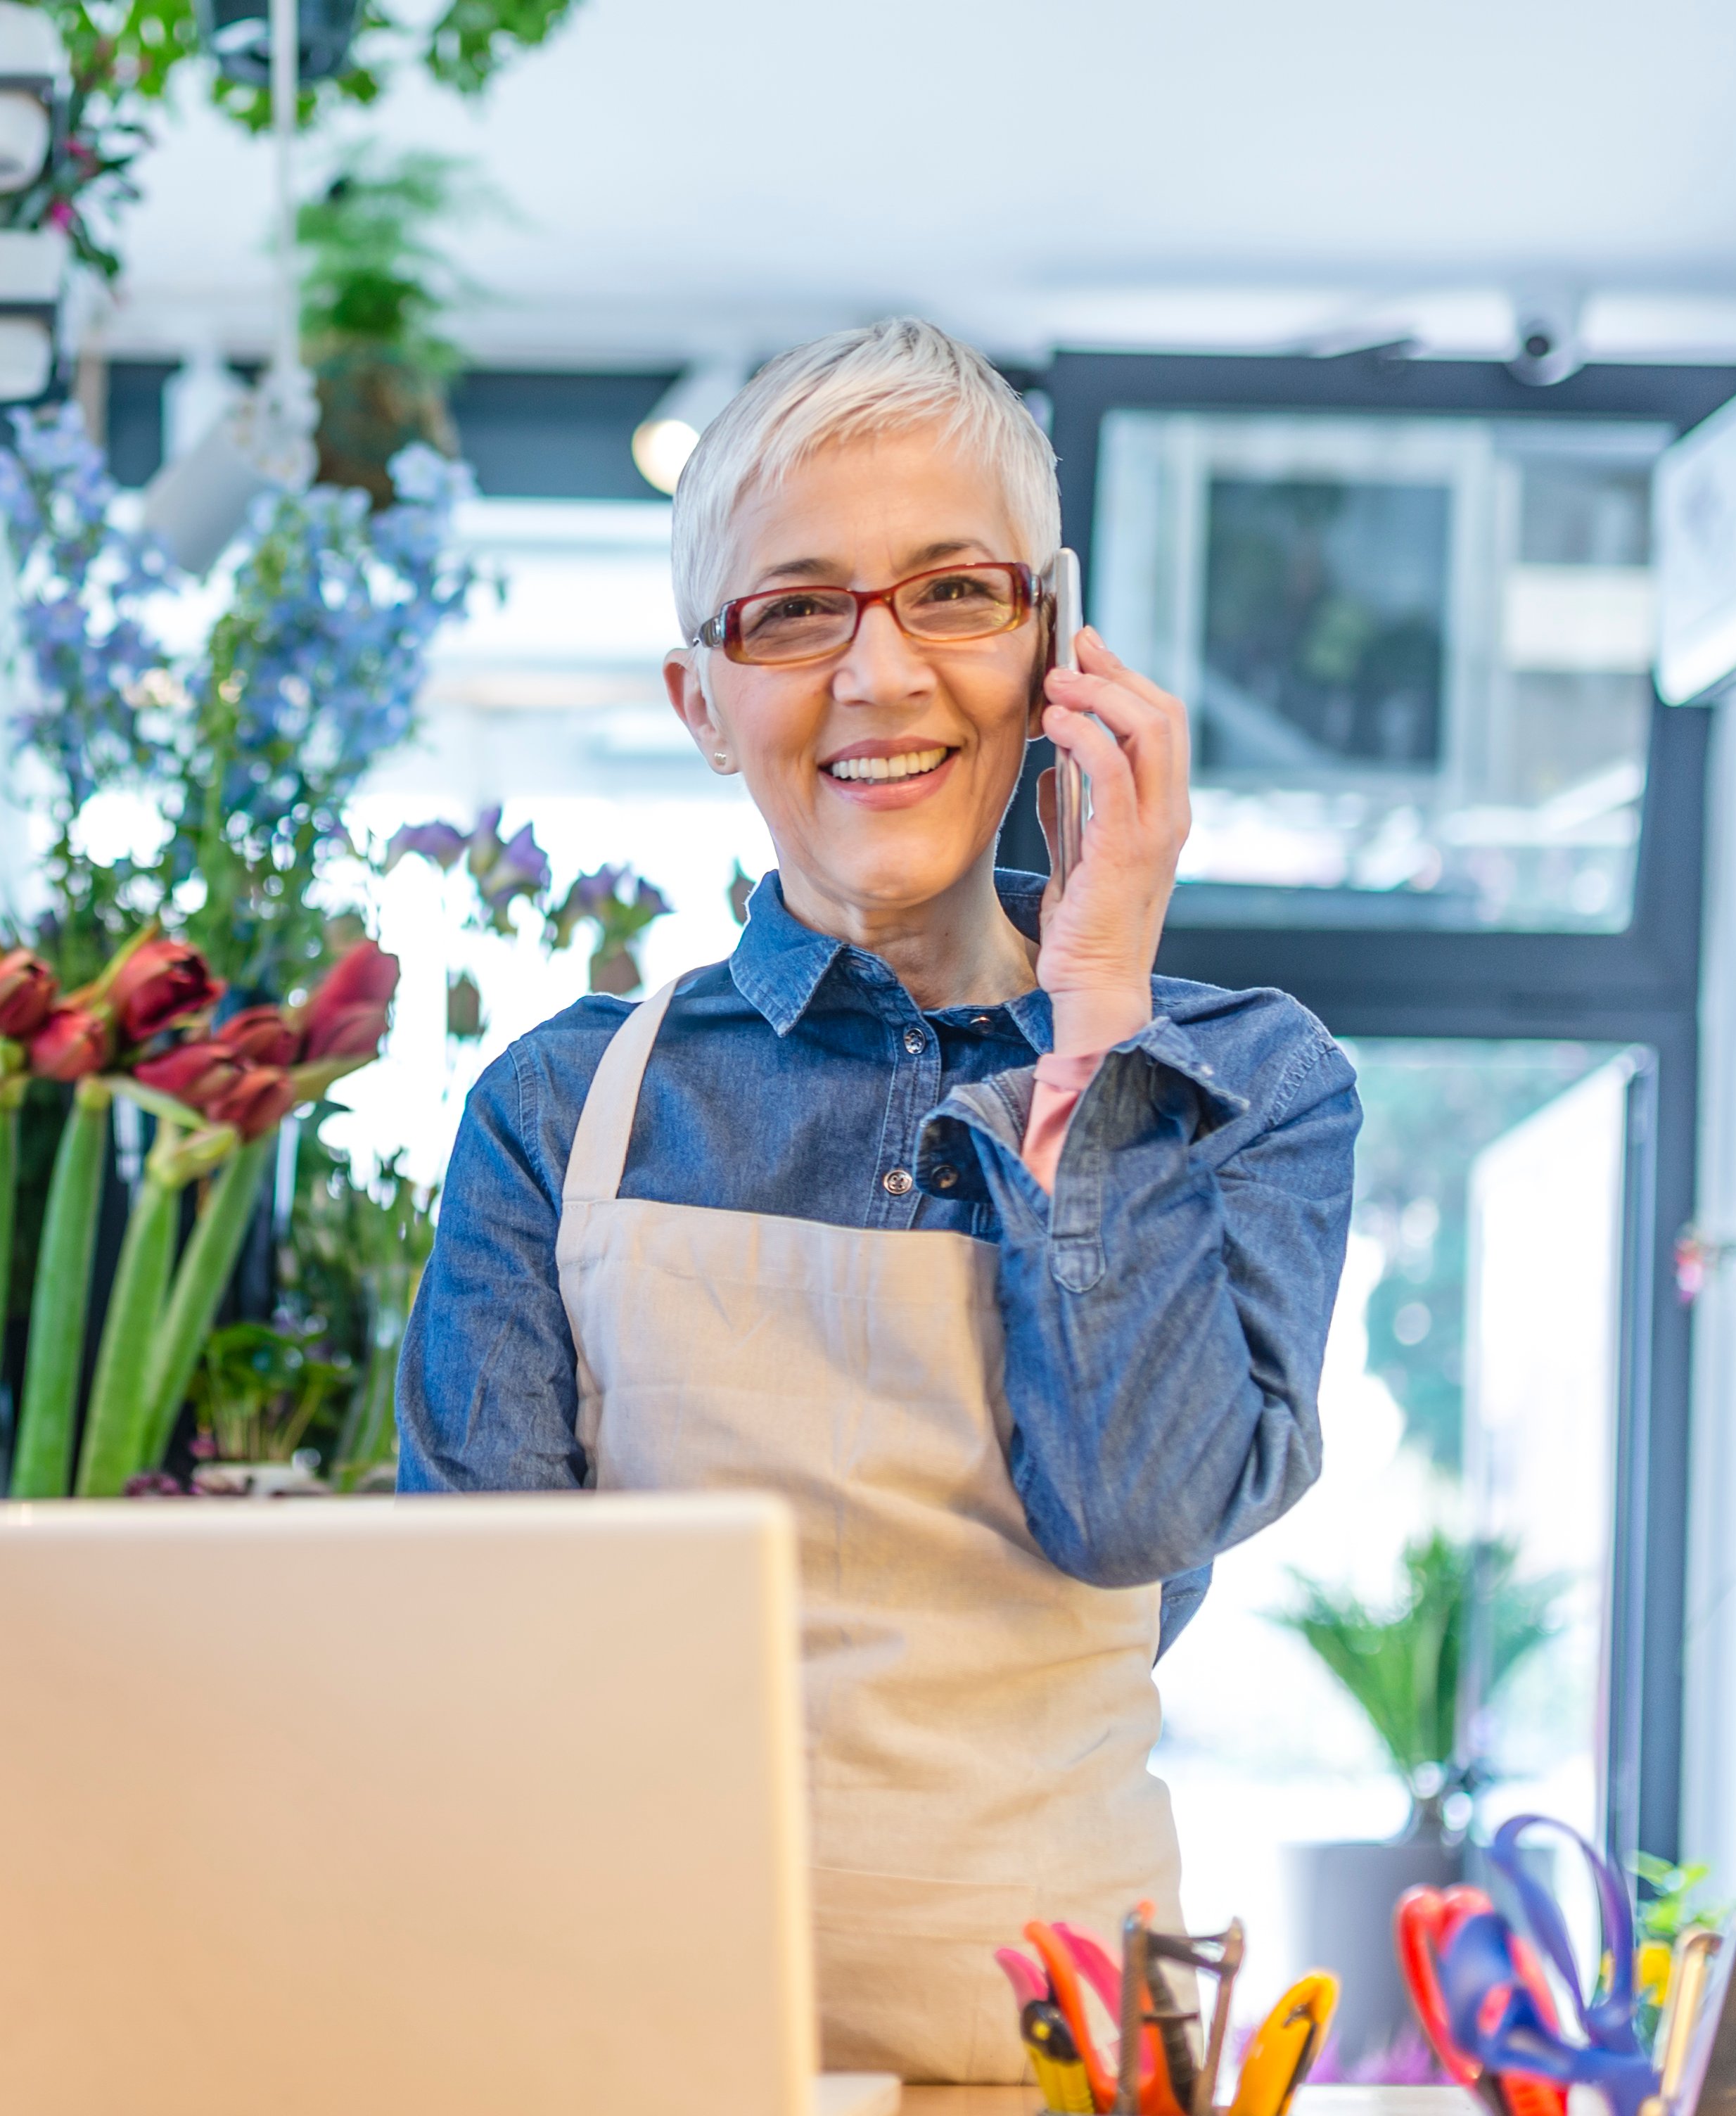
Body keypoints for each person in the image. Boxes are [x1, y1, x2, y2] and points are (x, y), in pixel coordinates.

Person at [395, 319, 1358, 2085]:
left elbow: (1132, 1510)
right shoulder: (561, 1111)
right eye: (793, 610)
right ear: (702, 701)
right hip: (644, 2061)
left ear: (1056, 645)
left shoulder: (1246, 1084)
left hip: (1063, 2068)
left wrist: (1093, 1021)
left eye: (954, 594)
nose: (882, 673)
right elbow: (479, 1672)